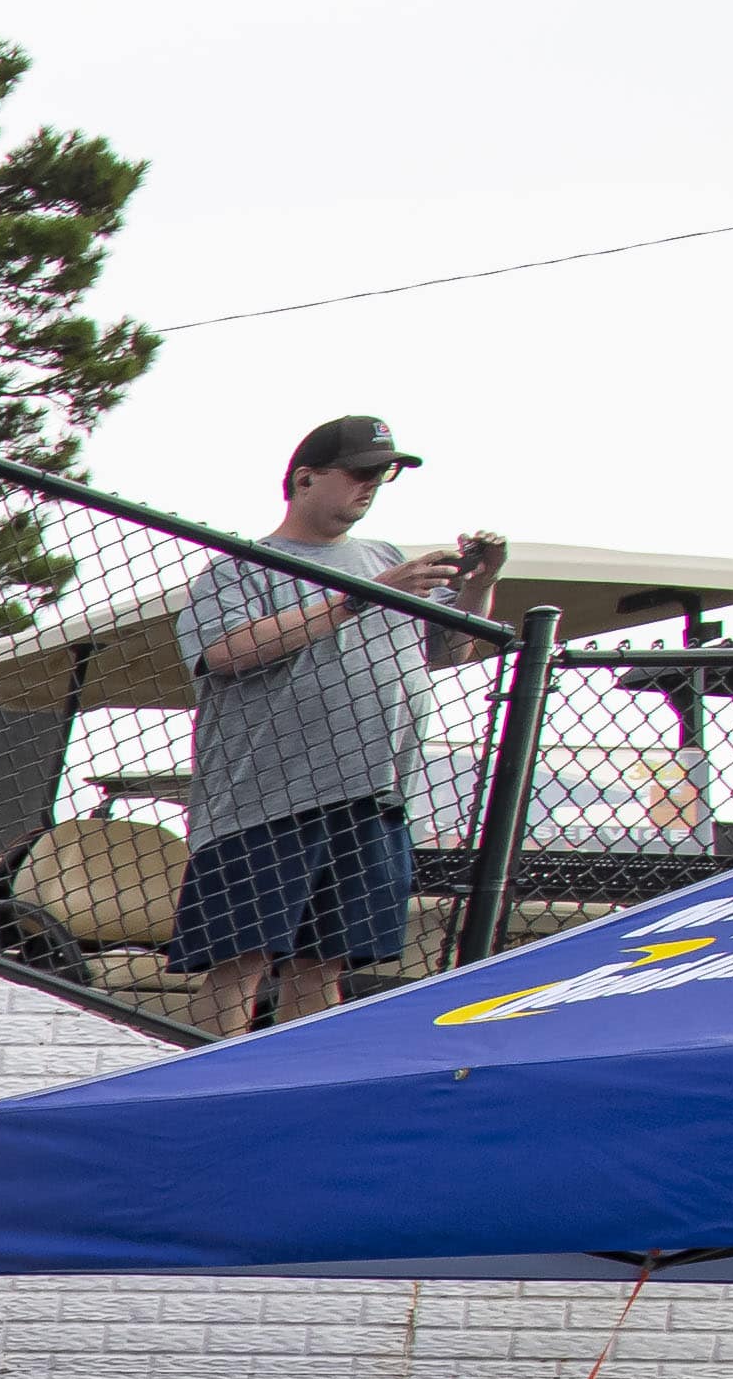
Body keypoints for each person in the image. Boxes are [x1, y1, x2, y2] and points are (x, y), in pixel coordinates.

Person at [174, 421, 498, 1038]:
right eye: (360, 472)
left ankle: (295, 1096)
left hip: (373, 797)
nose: (373, 486)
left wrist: (480, 585)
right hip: (263, 803)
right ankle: (208, 1093)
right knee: (240, 963)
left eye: (383, 474)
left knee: (324, 963)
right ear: (304, 479)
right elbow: (226, 652)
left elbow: (452, 650)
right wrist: (362, 597)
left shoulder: (384, 558)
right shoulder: (241, 568)